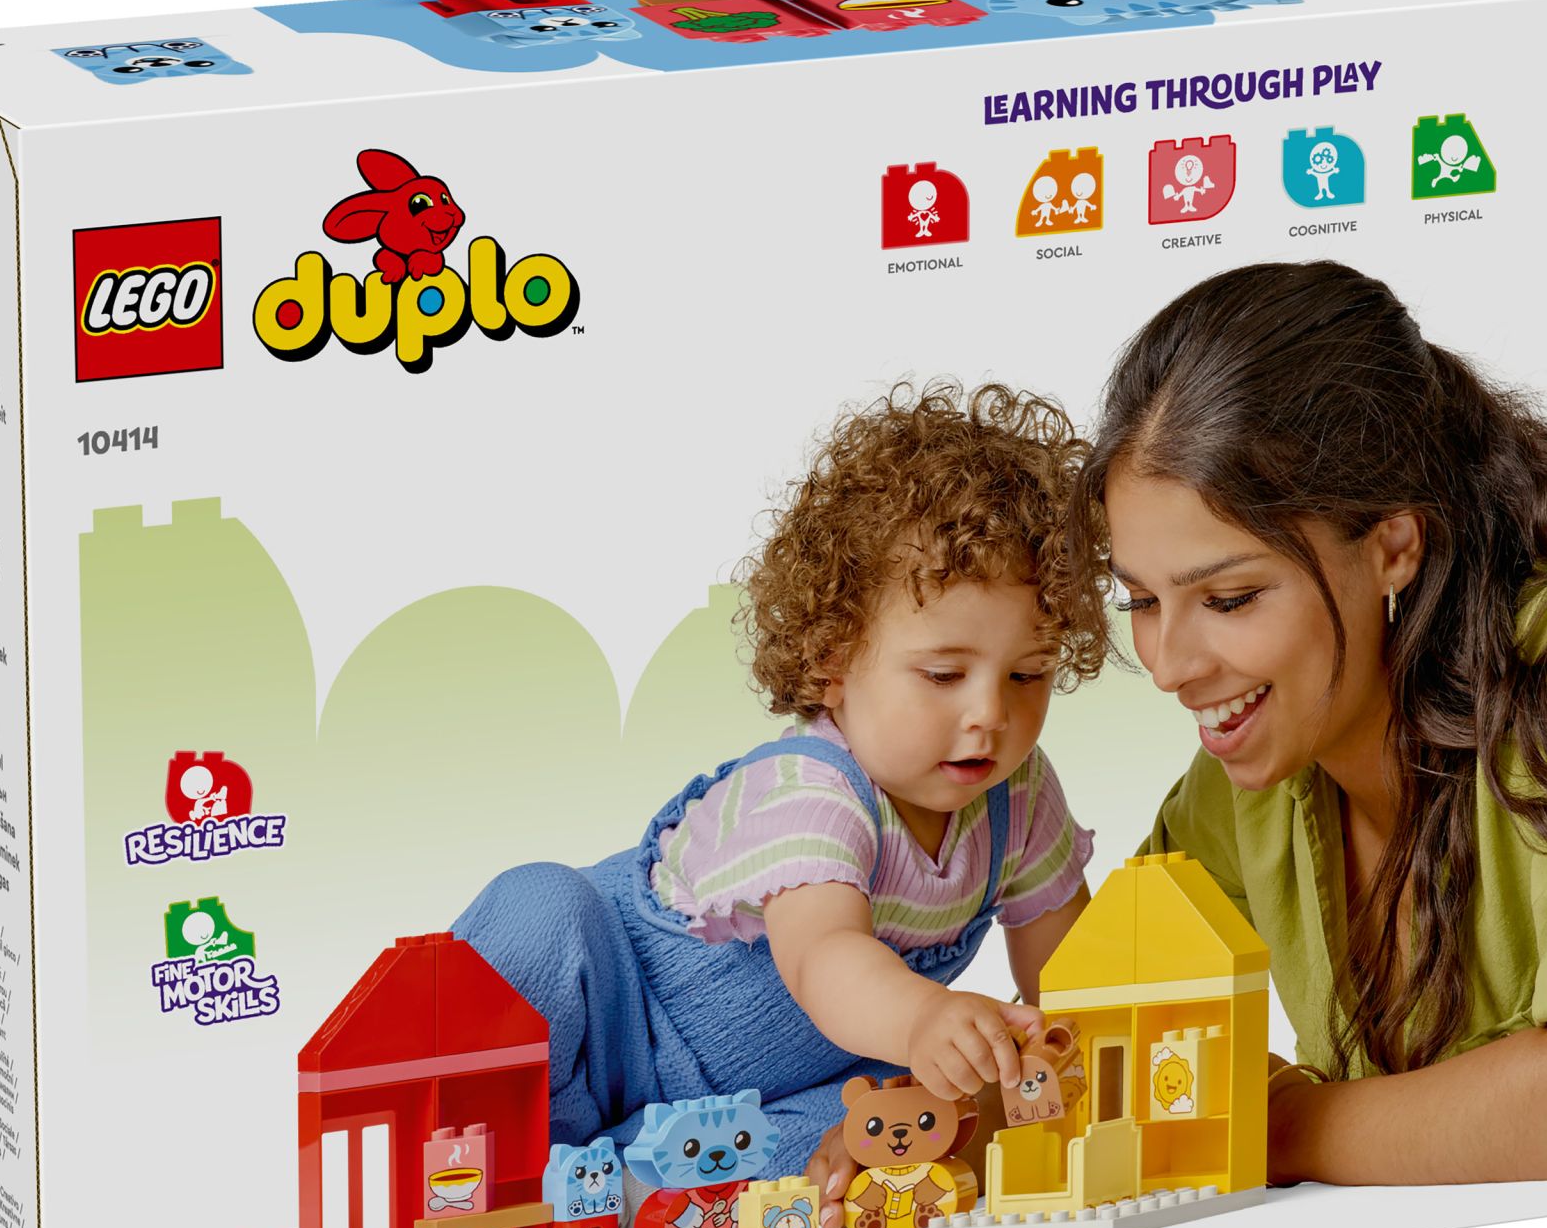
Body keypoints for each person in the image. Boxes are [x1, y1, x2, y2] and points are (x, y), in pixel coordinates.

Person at [1079, 260, 1547, 1185]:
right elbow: (1098, 1027)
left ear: (1393, 546)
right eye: (1142, 600)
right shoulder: (1255, 772)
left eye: (1230, 598)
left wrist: (1279, 1126)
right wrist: (947, 1097)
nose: (1168, 665)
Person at [454, 382, 1106, 1187]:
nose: (991, 714)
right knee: (540, 910)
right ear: (834, 661)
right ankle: (473, 1140)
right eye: (943, 674)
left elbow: (1072, 977)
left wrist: (1059, 1049)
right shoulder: (813, 791)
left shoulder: (1021, 799)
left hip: (750, 1100)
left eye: (1028, 673)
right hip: (609, 1013)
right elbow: (825, 957)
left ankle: (622, 1184)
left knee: (895, 1115)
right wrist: (926, 1015)